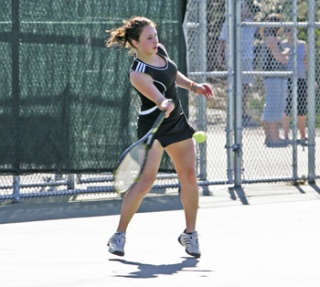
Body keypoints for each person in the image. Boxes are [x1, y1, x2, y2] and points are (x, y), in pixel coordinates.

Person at [105, 17, 213, 258]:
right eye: (149, 38)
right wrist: (163, 102)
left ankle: (191, 234)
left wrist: (194, 86)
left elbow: (173, 74)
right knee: (145, 182)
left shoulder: (160, 51)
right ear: (135, 42)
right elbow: (156, 96)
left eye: (156, 35)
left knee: (189, 177)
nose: (156, 41)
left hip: (176, 124)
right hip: (153, 128)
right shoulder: (137, 73)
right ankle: (119, 235)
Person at [216, 2, 257, 125]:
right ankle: (232, 113)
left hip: (247, 58)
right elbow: (222, 41)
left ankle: (243, 112)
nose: (242, 10)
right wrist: (219, 56)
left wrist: (249, 15)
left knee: (245, 86)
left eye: (244, 8)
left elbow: (260, 29)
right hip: (232, 58)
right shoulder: (228, 23)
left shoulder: (250, 23)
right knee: (233, 86)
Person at [260, 13, 291, 147]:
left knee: (277, 106)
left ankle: (273, 136)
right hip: (273, 76)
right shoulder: (271, 38)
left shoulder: (275, 38)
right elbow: (279, 57)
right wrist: (287, 53)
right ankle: (272, 137)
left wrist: (284, 55)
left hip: (278, 76)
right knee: (272, 106)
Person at [281, 27, 308, 142]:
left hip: (301, 78)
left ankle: (302, 135)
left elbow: (307, 61)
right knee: (286, 107)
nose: (290, 33)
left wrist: (309, 79)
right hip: (287, 79)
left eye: (292, 30)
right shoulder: (282, 44)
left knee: (301, 107)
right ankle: (286, 135)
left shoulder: (302, 44)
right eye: (288, 30)